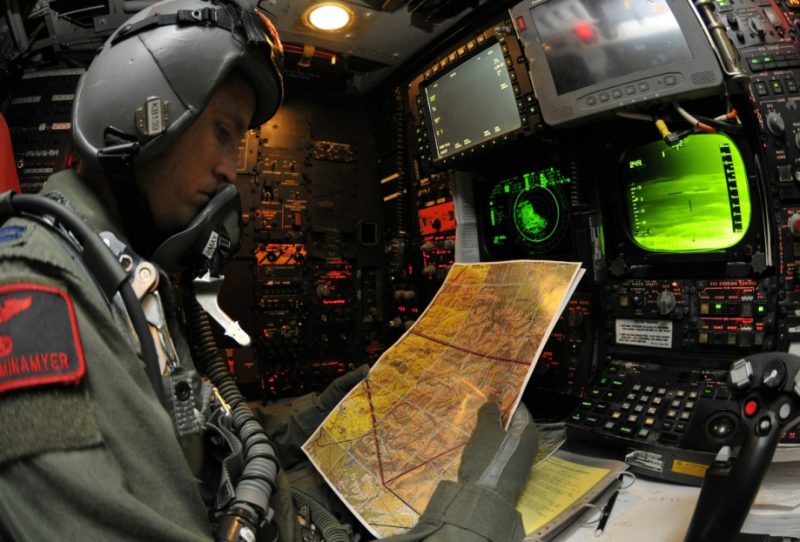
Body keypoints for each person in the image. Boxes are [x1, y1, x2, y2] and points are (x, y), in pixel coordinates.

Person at [0, 1, 539, 541]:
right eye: (223, 131)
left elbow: (196, 441)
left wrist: (327, 411)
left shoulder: (121, 275)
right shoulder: (30, 296)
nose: (232, 169)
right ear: (141, 115)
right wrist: (480, 508)